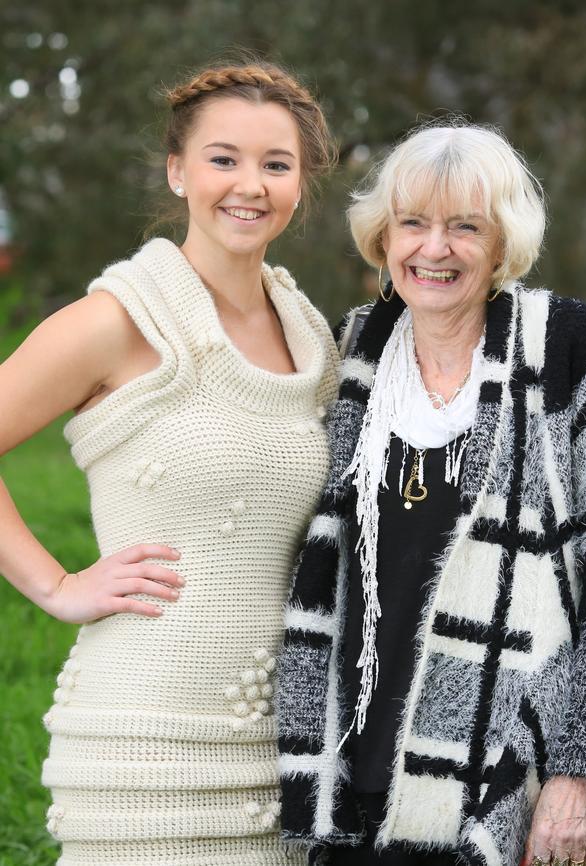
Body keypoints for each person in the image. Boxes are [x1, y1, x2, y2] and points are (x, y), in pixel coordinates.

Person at [277, 121, 586, 866]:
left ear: (502, 242)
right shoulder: (354, 350)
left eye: (464, 227)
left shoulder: (566, 345)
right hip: (352, 778)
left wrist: (584, 773)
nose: (434, 248)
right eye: (412, 223)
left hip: (510, 771)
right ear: (384, 238)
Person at [0, 60, 340, 865]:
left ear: (300, 184)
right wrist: (56, 584)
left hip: (286, 750)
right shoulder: (116, 320)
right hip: (143, 741)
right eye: (224, 158)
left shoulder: (313, 336)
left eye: (276, 164)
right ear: (177, 171)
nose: (249, 185)